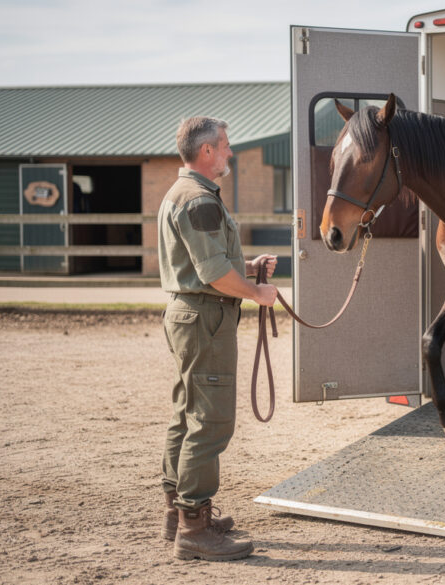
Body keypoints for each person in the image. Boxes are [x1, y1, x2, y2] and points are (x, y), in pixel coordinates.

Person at [157, 116, 278, 561]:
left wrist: (246, 269)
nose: (229, 153)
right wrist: (257, 292)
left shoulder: (184, 193)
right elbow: (210, 273)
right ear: (206, 151)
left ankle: (178, 512)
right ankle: (193, 527)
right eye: (225, 146)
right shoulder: (198, 200)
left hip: (191, 314)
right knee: (210, 422)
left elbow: (199, 265)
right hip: (205, 319)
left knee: (186, 414)